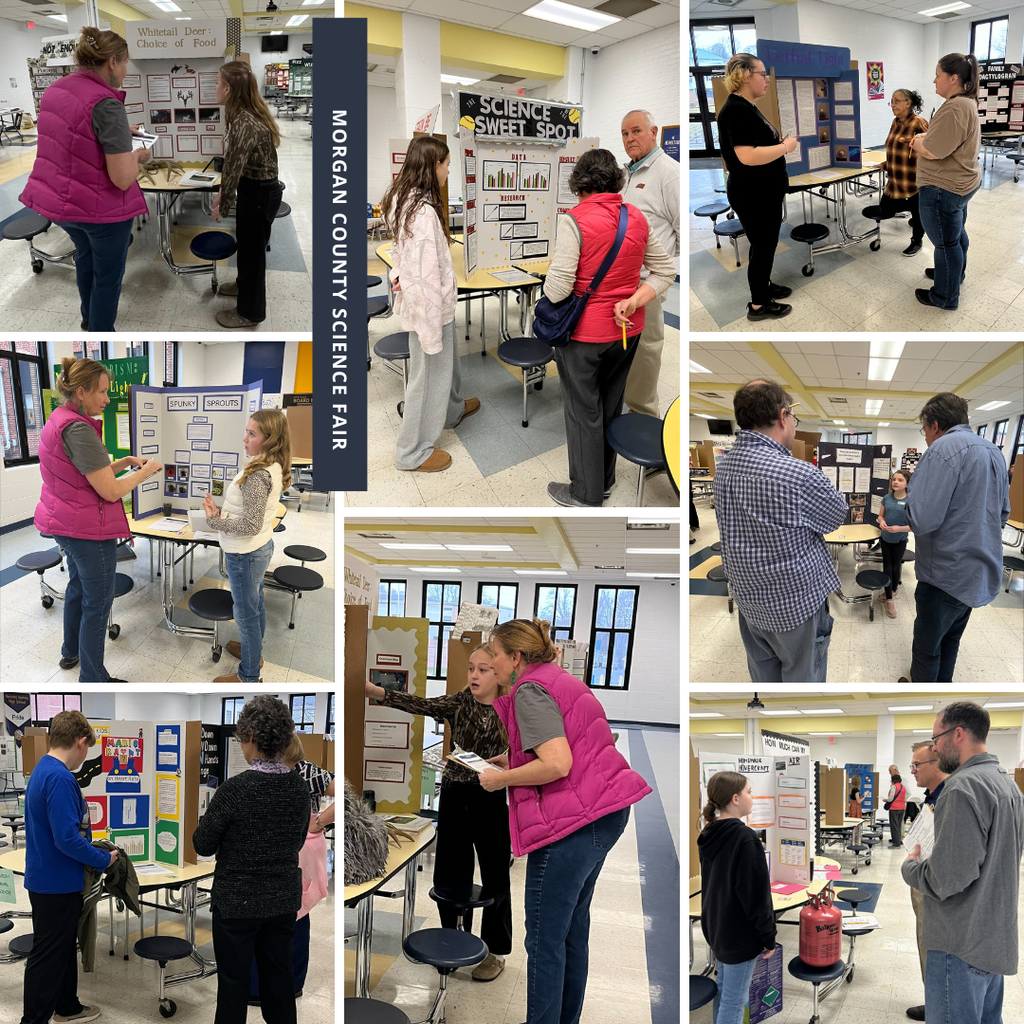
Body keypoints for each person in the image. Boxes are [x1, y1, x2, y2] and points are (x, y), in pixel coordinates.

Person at [478, 618, 651, 1024]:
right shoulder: (558, 678)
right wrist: (514, 760)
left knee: (543, 939)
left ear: (516, 657)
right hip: (604, 812)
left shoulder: (528, 690)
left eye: (495, 654)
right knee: (571, 929)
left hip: (573, 823)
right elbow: (580, 740)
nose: (490, 662)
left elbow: (557, 763)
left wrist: (501, 779)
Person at [364, 643, 513, 982]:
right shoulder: (460, 702)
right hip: (455, 794)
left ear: (500, 674)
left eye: (483, 669)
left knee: (495, 876)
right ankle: (453, 938)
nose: (474, 675)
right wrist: (378, 693)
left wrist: (510, 764)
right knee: (449, 871)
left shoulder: (511, 708)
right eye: (471, 668)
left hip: (491, 797)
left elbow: (528, 754)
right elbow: (423, 704)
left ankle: (495, 951)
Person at [542, 148, 676, 506]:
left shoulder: (575, 219)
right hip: (627, 329)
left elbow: (557, 290)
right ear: (616, 179)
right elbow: (665, 271)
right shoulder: (635, 217)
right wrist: (633, 300)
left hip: (584, 336)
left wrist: (547, 276)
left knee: (582, 410)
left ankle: (585, 494)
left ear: (580, 182)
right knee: (611, 403)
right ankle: (604, 479)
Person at [35, 357, 163, 682]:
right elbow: (109, 491)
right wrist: (144, 472)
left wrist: (125, 461)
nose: (108, 398)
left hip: (65, 523)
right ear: (80, 391)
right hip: (86, 531)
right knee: (99, 601)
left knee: (78, 586)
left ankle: (70, 652)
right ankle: (93, 677)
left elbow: (82, 475)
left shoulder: (60, 418)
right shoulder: (78, 429)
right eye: (103, 392)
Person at [713, 380, 849, 682]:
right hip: (795, 606)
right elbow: (836, 517)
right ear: (783, 416)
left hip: (749, 603)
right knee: (802, 685)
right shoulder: (799, 474)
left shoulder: (723, 469)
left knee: (765, 681)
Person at [19, 28, 150, 333]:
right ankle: (100, 334)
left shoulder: (56, 90)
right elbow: (121, 179)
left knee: (86, 259)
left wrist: (119, 133)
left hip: (60, 205)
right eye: (126, 63)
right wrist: (138, 156)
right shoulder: (107, 104)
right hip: (99, 211)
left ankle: (87, 319)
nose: (127, 71)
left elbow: (74, 138)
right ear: (113, 62)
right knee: (107, 276)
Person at [902, 702, 1024, 1024]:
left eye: (936, 739)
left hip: (959, 943)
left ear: (957, 734)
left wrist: (910, 868)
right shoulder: (1008, 785)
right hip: (993, 939)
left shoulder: (962, 787)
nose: (935, 748)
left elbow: (946, 879)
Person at [193, 695, 310, 1024]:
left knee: (233, 986)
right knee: (279, 982)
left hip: (236, 905)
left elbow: (203, 844)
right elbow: (297, 841)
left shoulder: (233, 790)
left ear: (251, 739)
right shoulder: (299, 790)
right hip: (283, 902)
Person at [382, 136, 480, 473]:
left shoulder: (404, 199)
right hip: (429, 309)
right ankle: (412, 452)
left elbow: (402, 255)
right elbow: (423, 280)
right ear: (431, 165)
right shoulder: (421, 214)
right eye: (446, 163)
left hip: (436, 303)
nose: (448, 169)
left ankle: (452, 411)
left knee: (447, 367)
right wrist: (429, 332)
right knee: (427, 378)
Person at [898, 392, 1010, 682]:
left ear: (935, 425)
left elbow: (920, 520)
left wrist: (911, 497)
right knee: (951, 642)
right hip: (977, 575)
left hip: (943, 577)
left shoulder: (941, 450)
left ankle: (921, 696)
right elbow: (1002, 515)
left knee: (927, 650)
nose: (925, 438)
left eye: (924, 431)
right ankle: (941, 691)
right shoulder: (994, 452)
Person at [20, 710, 118, 1024]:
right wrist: (104, 859)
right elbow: (66, 839)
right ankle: (33, 1019)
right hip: (56, 884)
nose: (85, 755)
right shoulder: (61, 777)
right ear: (79, 742)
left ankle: (67, 1006)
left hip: (47, 878)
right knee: (48, 956)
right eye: (87, 747)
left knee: (60, 950)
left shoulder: (42, 770)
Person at [200, 408, 289, 683]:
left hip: (245, 553)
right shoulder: (270, 465)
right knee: (255, 606)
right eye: (246, 432)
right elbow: (253, 518)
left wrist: (214, 521)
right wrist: (223, 514)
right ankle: (254, 654)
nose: (244, 439)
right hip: (258, 547)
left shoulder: (258, 474)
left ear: (269, 439)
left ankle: (249, 675)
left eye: (252, 434)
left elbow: (249, 525)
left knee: (246, 614)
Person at [248, 735, 335, 1004]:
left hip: (295, 852)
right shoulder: (300, 772)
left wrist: (318, 821)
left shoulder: (306, 772)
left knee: (289, 914)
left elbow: (347, 794)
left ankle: (264, 986)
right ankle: (290, 983)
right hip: (287, 851)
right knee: (296, 914)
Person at [715, 54, 799, 322]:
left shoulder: (746, 106)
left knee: (763, 245)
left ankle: (762, 286)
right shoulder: (736, 110)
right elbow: (747, 156)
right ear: (744, 75)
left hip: (761, 191)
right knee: (764, 246)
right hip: (754, 193)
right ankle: (759, 305)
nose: (767, 79)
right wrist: (786, 147)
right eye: (762, 74)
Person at [697, 771, 776, 1024]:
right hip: (739, 934)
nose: (752, 797)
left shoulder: (710, 833)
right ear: (735, 799)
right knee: (735, 1000)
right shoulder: (745, 838)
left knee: (725, 991)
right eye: (749, 792)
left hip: (717, 927)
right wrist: (768, 936)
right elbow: (755, 896)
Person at [211, 61, 284, 328]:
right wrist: (225, 194)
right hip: (254, 190)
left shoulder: (245, 121)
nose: (215, 88)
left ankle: (250, 313)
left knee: (253, 256)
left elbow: (232, 167)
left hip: (259, 194)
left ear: (228, 88)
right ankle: (243, 287)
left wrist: (223, 203)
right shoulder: (243, 114)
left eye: (218, 83)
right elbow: (235, 167)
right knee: (247, 248)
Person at [619, 108, 680, 418]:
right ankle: (628, 408)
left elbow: (681, 230)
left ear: (654, 132)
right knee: (626, 352)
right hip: (620, 283)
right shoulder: (627, 172)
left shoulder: (669, 173)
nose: (630, 138)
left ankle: (644, 421)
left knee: (646, 355)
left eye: (637, 131)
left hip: (648, 285)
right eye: (625, 134)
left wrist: (662, 265)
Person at [911, 53, 982, 310]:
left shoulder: (954, 107)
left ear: (953, 78)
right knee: (955, 235)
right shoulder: (966, 103)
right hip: (961, 182)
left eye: (938, 76)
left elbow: (933, 151)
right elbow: (949, 140)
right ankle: (953, 276)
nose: (934, 81)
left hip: (943, 187)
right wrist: (929, 138)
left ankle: (944, 297)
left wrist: (919, 142)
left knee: (945, 243)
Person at [903, 740, 949, 1022]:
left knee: (933, 945)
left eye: (916, 765)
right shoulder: (930, 797)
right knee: (924, 941)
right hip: (921, 881)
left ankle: (938, 1004)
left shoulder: (951, 798)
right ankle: (932, 999)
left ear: (937, 764)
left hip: (934, 885)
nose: (913, 771)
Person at [878, 90, 929, 257]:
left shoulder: (919, 124)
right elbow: (894, 149)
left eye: (897, 101)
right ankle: (916, 213)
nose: (893, 105)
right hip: (895, 179)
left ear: (908, 103)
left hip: (913, 181)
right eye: (891, 101)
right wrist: (885, 164)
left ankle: (917, 240)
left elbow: (929, 152)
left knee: (917, 211)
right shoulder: (895, 122)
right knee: (885, 210)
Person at [877, 470, 912, 618]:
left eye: (900, 480)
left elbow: (913, 526)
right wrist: (882, 522)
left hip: (900, 540)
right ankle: (889, 599)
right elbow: (880, 516)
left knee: (896, 566)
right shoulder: (886, 498)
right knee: (887, 566)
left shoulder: (911, 500)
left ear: (907, 484)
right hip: (885, 538)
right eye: (894, 479)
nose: (896, 482)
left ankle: (892, 591)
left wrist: (899, 529)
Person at [885, 772, 907, 848]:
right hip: (902, 808)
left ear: (893, 780)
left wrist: (886, 800)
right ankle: (897, 841)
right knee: (898, 825)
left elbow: (891, 798)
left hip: (894, 808)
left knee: (894, 825)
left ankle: (896, 843)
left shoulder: (894, 787)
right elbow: (905, 798)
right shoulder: (903, 787)